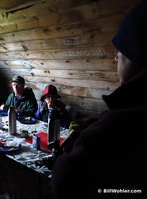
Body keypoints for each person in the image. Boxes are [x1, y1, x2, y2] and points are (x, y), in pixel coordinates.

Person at [51, 1, 147, 198]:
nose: (115, 59)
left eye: (119, 53)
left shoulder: (116, 126)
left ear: (135, 58)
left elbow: (62, 181)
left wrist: (79, 138)